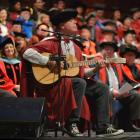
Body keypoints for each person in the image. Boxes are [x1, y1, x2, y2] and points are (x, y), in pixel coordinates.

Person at [20, 9, 91, 137]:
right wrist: (47, 61)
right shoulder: (51, 41)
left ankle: (104, 126)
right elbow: (27, 53)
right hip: (51, 83)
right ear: (62, 26)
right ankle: (72, 123)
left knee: (101, 87)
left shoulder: (75, 47)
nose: (76, 22)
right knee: (79, 83)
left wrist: (96, 68)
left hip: (70, 81)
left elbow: (79, 71)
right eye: (71, 21)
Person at [96, 41, 140, 131]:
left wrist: (125, 90)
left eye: (111, 50)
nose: (109, 52)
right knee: (106, 93)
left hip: (119, 92)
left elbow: (122, 81)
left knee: (135, 95)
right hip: (105, 92)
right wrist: (112, 92)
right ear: (101, 51)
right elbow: (97, 83)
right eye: (106, 49)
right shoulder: (96, 63)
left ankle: (130, 123)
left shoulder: (117, 65)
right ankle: (107, 125)